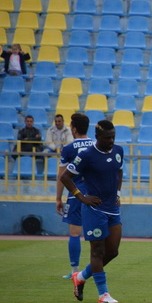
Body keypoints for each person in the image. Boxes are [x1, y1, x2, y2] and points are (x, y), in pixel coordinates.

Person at [62, 120, 124, 303]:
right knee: (97, 251)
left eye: (113, 137)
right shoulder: (86, 155)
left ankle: (80, 277)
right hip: (94, 209)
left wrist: (118, 193)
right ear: (97, 137)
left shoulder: (118, 151)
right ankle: (103, 294)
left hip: (112, 209)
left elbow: (119, 171)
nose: (111, 141)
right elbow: (65, 177)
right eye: (107, 138)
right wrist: (81, 197)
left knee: (112, 252)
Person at [56, 113, 95, 281]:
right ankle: (95, 269)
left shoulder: (69, 148)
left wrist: (58, 198)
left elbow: (61, 176)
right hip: (95, 195)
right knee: (97, 234)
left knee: (74, 233)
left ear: (74, 128)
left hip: (76, 194)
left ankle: (74, 271)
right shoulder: (97, 145)